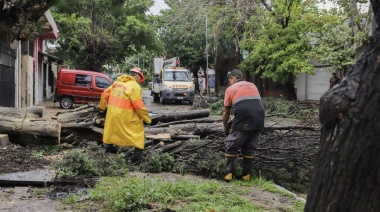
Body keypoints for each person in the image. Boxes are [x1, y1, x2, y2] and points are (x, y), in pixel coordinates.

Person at [97, 67, 151, 163]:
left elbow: (104, 94)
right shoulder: (134, 86)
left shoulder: (117, 83)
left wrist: (101, 108)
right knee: (138, 134)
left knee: (110, 134)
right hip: (126, 116)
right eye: (140, 78)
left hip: (112, 116)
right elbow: (138, 106)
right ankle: (136, 159)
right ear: (137, 76)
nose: (139, 81)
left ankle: (104, 154)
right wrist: (147, 119)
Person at [222, 69, 265, 182]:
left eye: (230, 80)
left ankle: (228, 174)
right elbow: (250, 105)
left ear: (234, 79)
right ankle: (246, 176)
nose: (230, 82)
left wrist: (225, 126)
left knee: (232, 145)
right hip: (259, 118)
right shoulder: (252, 85)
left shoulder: (230, 89)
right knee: (249, 147)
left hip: (243, 119)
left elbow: (226, 111)